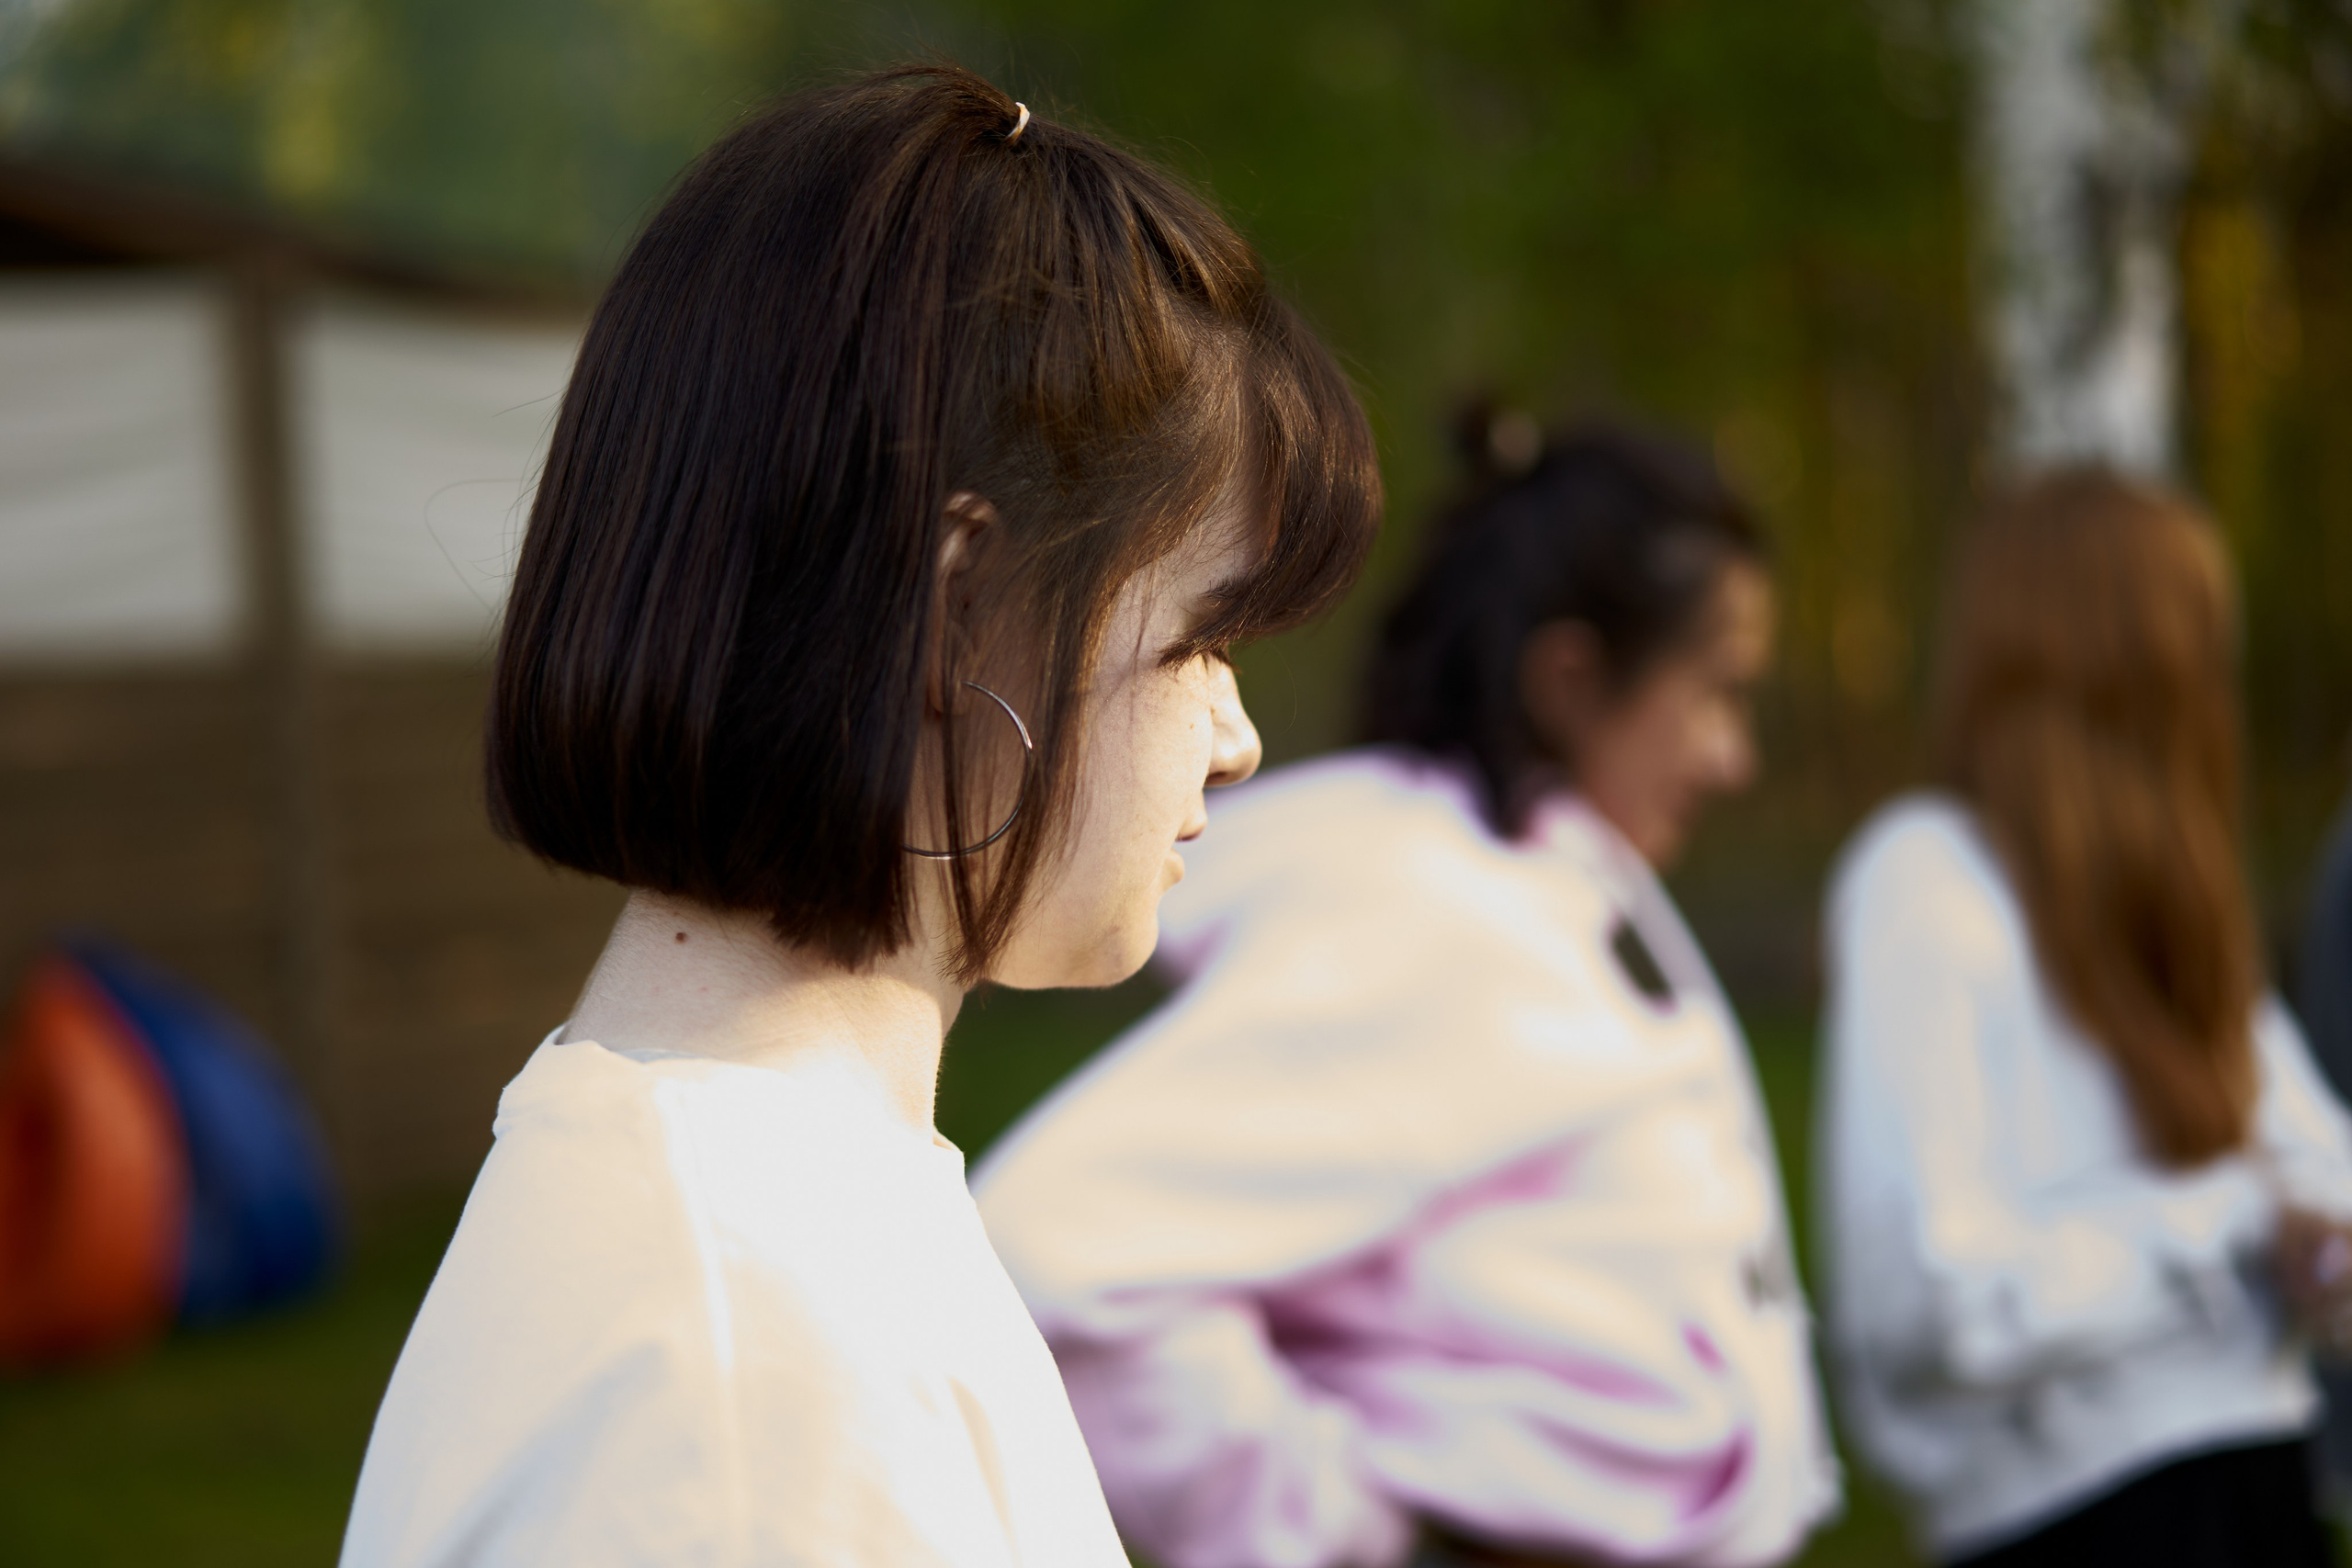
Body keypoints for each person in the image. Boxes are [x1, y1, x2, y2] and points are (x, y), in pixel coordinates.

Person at [336, 64, 1379, 1568]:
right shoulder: (754, 1375)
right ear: (956, 620)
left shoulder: (763, 1219)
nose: (1237, 739)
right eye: (1201, 638)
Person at [975, 418, 1840, 1568]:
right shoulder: (1435, 914)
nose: (1733, 758)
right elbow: (1062, 1249)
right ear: (1571, 682)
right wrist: (1352, 1535)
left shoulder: (1534, 891)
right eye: (1714, 693)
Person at [1817, 468, 2352, 1567]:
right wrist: (2226, 1223)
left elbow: (2319, 1164)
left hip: (2261, 1481)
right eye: (2199, 644)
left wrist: (2312, 1241)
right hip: (2074, 1521)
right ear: (2134, 660)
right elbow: (1926, 1299)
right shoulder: (1929, 879)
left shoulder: (2175, 897)